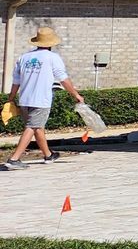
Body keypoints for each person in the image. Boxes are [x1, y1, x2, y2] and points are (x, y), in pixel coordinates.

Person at [5, 27, 86, 167]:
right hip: (40, 100)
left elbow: (16, 81)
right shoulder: (53, 58)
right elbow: (63, 79)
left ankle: (48, 155)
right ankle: (14, 159)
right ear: (51, 43)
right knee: (32, 127)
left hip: (24, 100)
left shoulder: (23, 58)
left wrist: (11, 98)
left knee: (37, 128)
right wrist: (76, 95)